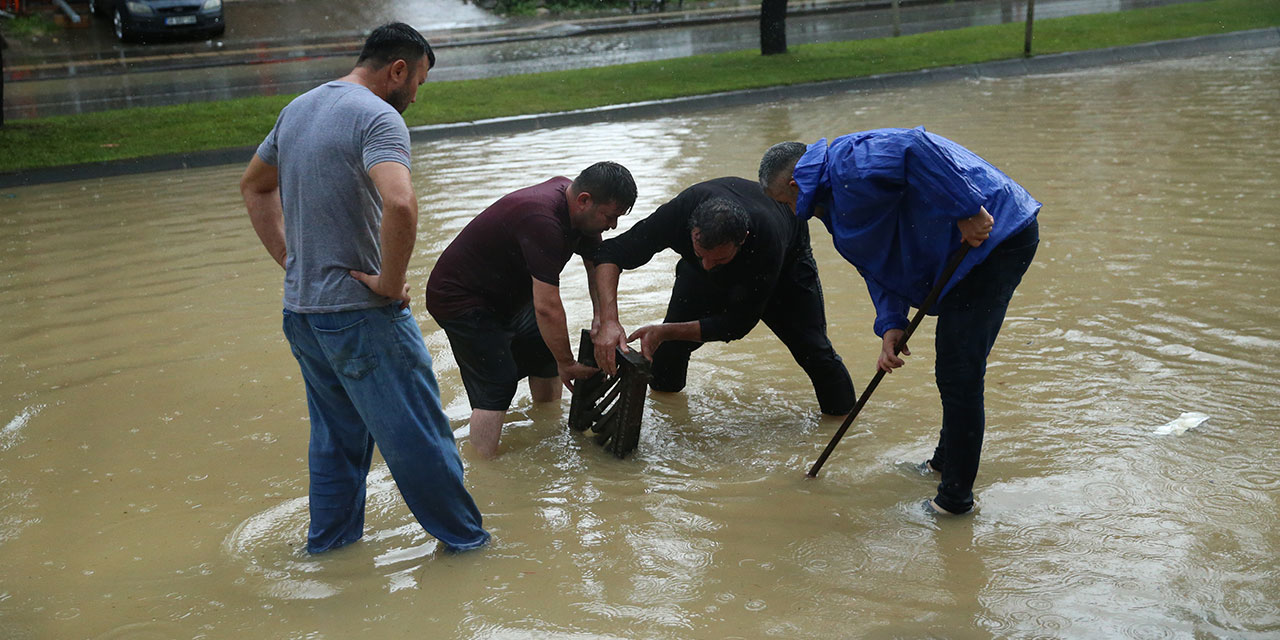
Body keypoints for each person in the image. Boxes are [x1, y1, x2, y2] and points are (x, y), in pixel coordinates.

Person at [239, 23, 489, 554]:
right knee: (419, 434)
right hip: (360, 313)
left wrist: (290, 260)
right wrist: (390, 283)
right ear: (398, 70)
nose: (416, 95)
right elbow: (400, 204)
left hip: (303, 315)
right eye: (418, 81)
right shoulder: (378, 117)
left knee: (335, 444)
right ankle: (469, 547)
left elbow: (255, 185)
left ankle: (330, 551)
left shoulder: (299, 109)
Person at [758, 127, 1041, 516]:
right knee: (954, 369)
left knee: (959, 370)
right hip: (965, 259)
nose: (790, 213)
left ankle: (954, 501)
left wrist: (968, 210)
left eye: (784, 202)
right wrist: (891, 323)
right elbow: (876, 262)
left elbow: (915, 147)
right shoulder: (832, 208)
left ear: (794, 182)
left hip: (996, 236)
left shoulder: (848, 161)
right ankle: (945, 462)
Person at [591, 177, 856, 417]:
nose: (708, 265)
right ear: (692, 231)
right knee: (669, 349)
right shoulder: (680, 213)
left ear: (743, 240)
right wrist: (609, 321)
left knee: (814, 351)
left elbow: (737, 324)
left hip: (787, 264)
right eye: (700, 254)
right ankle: (669, 415)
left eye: (719, 258)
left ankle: (844, 430)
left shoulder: (766, 240)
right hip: (706, 257)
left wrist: (664, 330)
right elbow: (610, 253)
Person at [425, 162, 637, 459]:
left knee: (545, 356)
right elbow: (547, 307)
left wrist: (602, 319)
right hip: (461, 299)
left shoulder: (583, 215)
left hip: (506, 297)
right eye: (610, 216)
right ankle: (485, 470)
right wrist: (567, 362)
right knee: (497, 381)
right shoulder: (542, 220)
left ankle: (546, 432)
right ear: (584, 200)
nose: (612, 225)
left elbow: (595, 266)